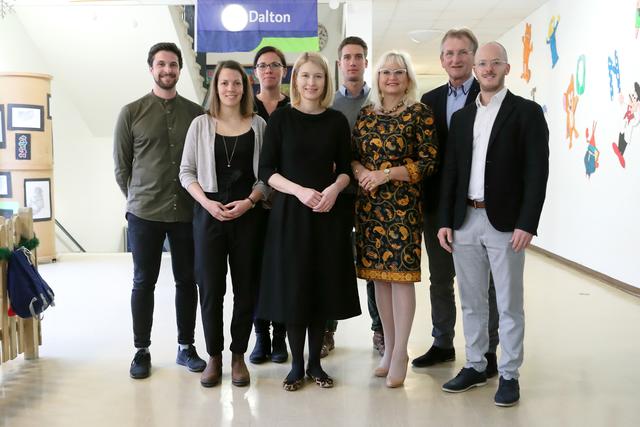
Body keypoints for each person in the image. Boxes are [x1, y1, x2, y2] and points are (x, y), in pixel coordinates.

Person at [438, 42, 549, 407]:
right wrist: (445, 220)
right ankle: (475, 364)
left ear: (507, 68)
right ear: (475, 68)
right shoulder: (462, 118)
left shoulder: (527, 113)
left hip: (505, 224)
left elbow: (537, 173)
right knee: (471, 301)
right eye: (482, 63)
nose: (487, 68)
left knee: (508, 303)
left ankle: (510, 374)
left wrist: (527, 222)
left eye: (494, 63)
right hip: (465, 220)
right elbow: (451, 172)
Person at [257, 52, 361, 391]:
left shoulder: (335, 121)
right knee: (295, 288)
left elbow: (346, 169)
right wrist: (300, 191)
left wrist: (334, 189)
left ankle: (316, 363)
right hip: (291, 214)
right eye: (305, 76)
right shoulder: (281, 120)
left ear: (325, 82)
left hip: (326, 214)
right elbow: (267, 172)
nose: (311, 83)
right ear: (296, 79)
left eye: (317, 77)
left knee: (321, 288)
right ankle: (296, 364)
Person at [114, 42, 206, 379]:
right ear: (151, 68)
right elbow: (121, 167)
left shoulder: (196, 113)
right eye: (161, 64)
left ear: (180, 69)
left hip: (185, 212)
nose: (167, 70)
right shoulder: (132, 111)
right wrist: (138, 198)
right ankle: (141, 349)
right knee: (143, 282)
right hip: (144, 215)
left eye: (173, 65)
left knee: (187, 281)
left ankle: (186, 346)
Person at [412, 28, 499, 378]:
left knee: (484, 283)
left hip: (480, 205)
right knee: (440, 278)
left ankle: (488, 350)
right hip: (438, 205)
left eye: (463, 53)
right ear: (441, 60)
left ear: (475, 58)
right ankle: (442, 342)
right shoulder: (429, 100)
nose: (456, 59)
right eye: (449, 53)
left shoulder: (490, 95)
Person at [351, 51, 438, 388]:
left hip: (402, 208)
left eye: (398, 71)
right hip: (369, 207)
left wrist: (386, 174)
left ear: (408, 77)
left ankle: (401, 351)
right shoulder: (366, 114)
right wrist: (363, 174)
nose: (391, 77)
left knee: (401, 279)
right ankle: (388, 348)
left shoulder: (420, 113)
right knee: (379, 280)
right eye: (385, 72)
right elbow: (353, 156)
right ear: (378, 78)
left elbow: (428, 162)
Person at [179, 60, 268, 388]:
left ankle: (238, 356)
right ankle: (214, 356)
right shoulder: (200, 125)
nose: (231, 89)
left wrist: (249, 201)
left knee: (246, 289)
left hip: (248, 215)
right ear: (215, 88)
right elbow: (186, 172)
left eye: (237, 84)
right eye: (224, 83)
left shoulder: (259, 125)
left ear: (245, 89)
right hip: (209, 215)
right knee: (211, 289)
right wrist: (207, 203)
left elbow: (267, 175)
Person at [324, 35, 384, 358]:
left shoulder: (378, 103)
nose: (352, 62)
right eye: (346, 57)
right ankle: (327, 330)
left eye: (358, 57)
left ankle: (380, 330)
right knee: (335, 262)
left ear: (365, 62)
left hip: (373, 198)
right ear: (339, 63)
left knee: (374, 266)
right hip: (338, 197)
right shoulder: (328, 104)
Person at [249, 46, 290, 365]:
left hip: (289, 202)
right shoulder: (246, 107)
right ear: (255, 73)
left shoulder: (295, 106)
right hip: (252, 203)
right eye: (263, 65)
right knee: (254, 273)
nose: (269, 70)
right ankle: (260, 336)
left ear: (284, 70)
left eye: (275, 64)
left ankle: (280, 338)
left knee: (283, 271)